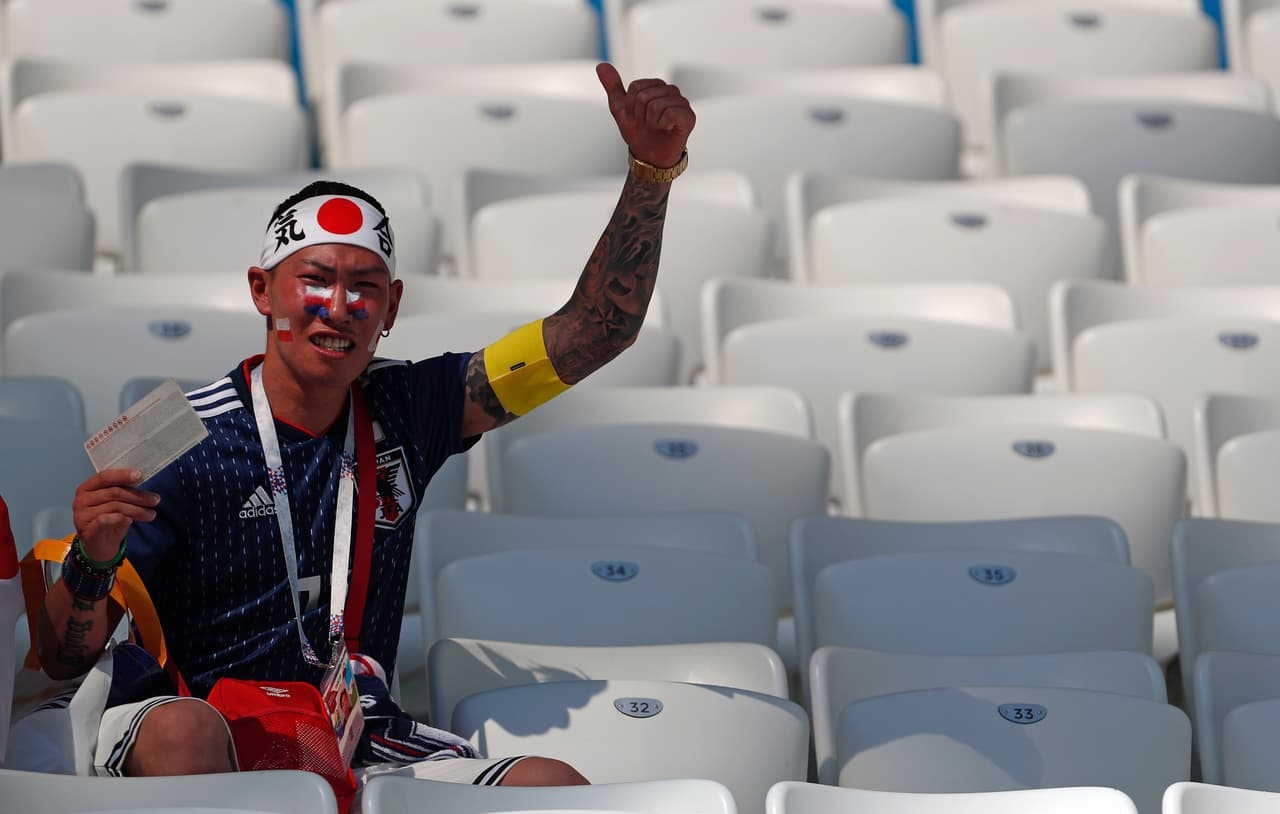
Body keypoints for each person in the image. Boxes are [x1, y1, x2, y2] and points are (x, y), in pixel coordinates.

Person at [35, 62, 694, 784]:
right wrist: (93, 558)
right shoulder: (176, 433)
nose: (339, 305)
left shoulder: (413, 405)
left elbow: (594, 332)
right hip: (204, 724)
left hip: (353, 732)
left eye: (363, 287)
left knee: (551, 785)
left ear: (392, 307)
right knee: (183, 735)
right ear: (262, 291)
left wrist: (651, 173)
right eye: (314, 279)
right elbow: (65, 655)